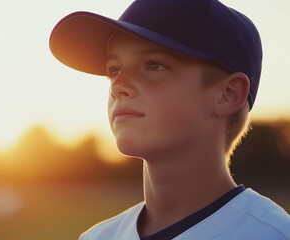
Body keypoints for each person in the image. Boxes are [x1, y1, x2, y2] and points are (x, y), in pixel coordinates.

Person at [49, 0, 290, 239]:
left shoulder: (273, 233)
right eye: (114, 70)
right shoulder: (97, 237)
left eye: (154, 65)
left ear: (228, 94)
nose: (118, 85)